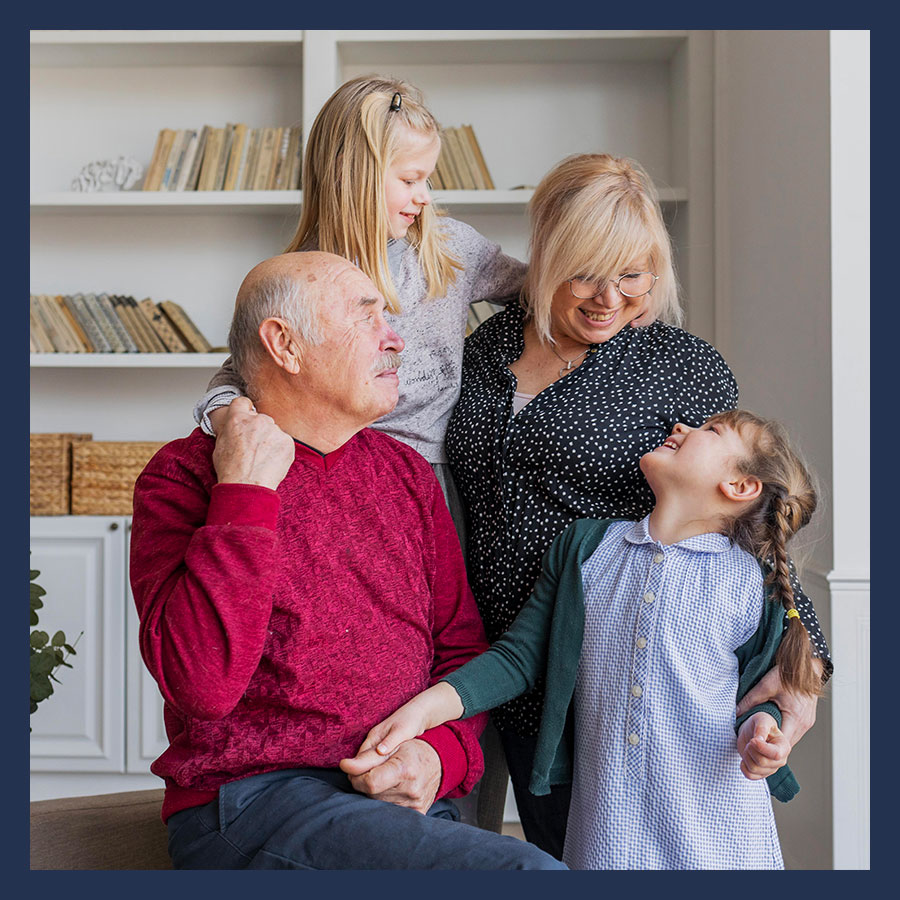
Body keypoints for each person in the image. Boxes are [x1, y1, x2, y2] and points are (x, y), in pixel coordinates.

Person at [442, 153, 832, 857]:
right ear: (546, 255)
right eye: (584, 271)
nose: (608, 297)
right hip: (473, 653)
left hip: (593, 674)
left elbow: (747, 509)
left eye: (633, 274)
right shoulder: (484, 346)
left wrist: (806, 657)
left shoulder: (680, 366)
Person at [129, 251, 564, 870]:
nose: (396, 338)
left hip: (394, 802)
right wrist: (246, 493)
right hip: (254, 800)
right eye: (368, 318)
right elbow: (203, 685)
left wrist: (438, 754)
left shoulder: (405, 474)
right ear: (285, 344)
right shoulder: (185, 476)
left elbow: (459, 649)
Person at [192, 77, 525, 830]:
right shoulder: (307, 274)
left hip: (433, 487)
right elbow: (233, 379)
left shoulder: (450, 248)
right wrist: (236, 429)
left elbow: (540, 293)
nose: (424, 194)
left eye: (429, 177)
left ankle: (453, 819)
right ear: (354, 174)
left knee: (456, 661)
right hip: (335, 478)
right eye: (409, 178)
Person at [343, 409, 823, 869]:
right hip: (607, 825)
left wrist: (762, 732)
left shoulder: (750, 582)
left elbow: (758, 697)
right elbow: (517, 658)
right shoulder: (586, 548)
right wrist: (422, 711)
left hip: (716, 831)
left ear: (739, 487)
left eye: (712, 430)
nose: (682, 426)